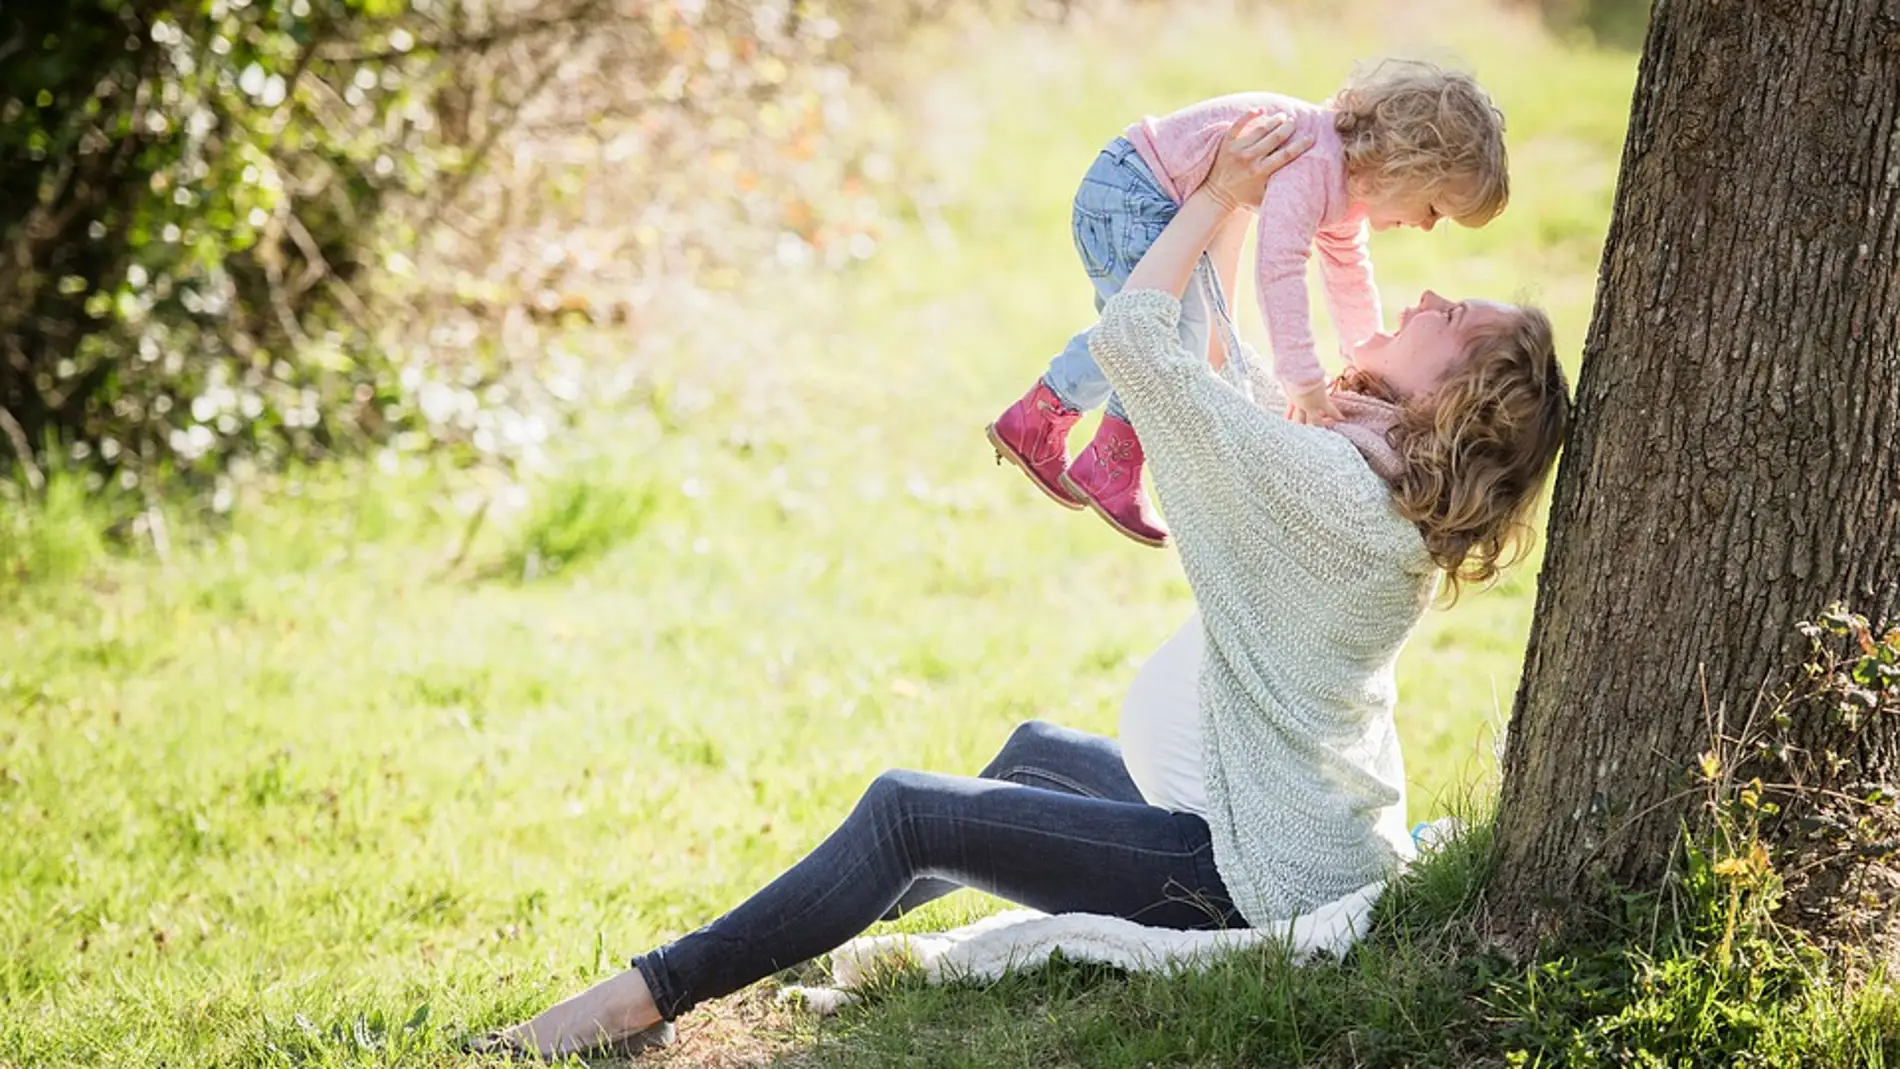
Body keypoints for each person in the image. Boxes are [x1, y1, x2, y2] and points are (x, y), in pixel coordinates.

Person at [475, 112, 1567, 1062]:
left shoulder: (1330, 490)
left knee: (910, 810)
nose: (1427, 291)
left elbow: (1140, 342)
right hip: (1272, 823)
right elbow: (1230, 380)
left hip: (1245, 871)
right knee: (1031, 755)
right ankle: (783, 938)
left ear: (1456, 402)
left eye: (1454, 317)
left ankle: (642, 998)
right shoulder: (1370, 483)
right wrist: (1236, 210)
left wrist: (1222, 198)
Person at [988, 59, 1509, 548]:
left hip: (1143, 193)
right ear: (1404, 166)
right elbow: (1278, 269)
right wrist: (1302, 378)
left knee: (1164, 331)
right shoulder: (1315, 163)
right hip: (1131, 192)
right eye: (1434, 208)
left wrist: (1362, 356)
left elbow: (1349, 275)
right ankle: (1105, 458)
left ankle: (1044, 422)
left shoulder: (1345, 185)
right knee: (1161, 331)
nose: (1424, 226)